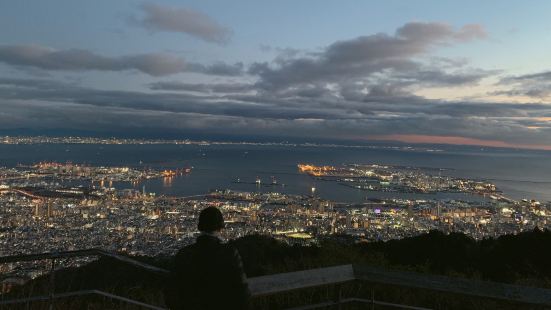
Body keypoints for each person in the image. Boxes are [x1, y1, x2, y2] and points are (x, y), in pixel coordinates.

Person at [165, 207, 250, 310]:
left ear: (199, 227)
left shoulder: (184, 254)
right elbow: (243, 291)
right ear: (220, 227)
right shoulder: (230, 253)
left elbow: (171, 291)